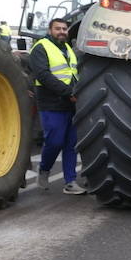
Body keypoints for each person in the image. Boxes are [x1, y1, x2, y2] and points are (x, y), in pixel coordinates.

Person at [29, 17, 87, 195]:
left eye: (64, 29)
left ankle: (70, 181)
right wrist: (69, 92)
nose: (62, 32)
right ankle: (44, 169)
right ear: (49, 30)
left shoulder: (68, 48)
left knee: (71, 144)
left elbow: (73, 73)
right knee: (54, 141)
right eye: (57, 29)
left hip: (70, 102)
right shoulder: (40, 48)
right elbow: (43, 76)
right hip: (51, 102)